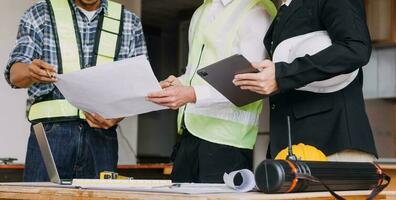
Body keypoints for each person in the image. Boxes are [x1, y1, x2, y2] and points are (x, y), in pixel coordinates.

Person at [4, 0, 147, 181]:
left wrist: (118, 114)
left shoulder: (128, 21)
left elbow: (138, 84)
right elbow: (15, 74)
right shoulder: (41, 12)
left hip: (101, 138)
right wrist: (29, 71)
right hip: (50, 135)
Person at [147, 0, 276, 183]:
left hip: (227, 143)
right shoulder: (201, 11)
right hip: (189, 135)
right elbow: (195, 73)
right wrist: (178, 84)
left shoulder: (256, 11)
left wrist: (191, 94)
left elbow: (250, 85)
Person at [233, 0, 377, 161]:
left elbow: (355, 48)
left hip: (333, 143)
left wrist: (281, 75)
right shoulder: (283, 10)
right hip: (291, 149)